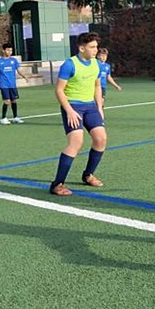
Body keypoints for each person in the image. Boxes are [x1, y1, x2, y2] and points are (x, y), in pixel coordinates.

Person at [49, 32, 107, 196]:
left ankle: (88, 175)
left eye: (96, 47)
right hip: (73, 106)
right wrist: (69, 110)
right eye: (92, 47)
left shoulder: (96, 64)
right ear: (82, 48)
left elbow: (97, 86)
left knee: (101, 139)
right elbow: (59, 90)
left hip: (90, 106)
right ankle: (57, 184)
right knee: (76, 142)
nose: (96, 50)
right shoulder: (69, 65)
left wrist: (99, 108)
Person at [0, 43, 28, 124]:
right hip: (4, 84)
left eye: (11, 50)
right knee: (7, 101)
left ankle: (15, 117)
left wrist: (24, 76)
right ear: (3, 50)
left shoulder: (14, 60)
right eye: (8, 50)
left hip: (12, 84)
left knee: (14, 100)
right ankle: (3, 118)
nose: (10, 52)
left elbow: (19, 70)